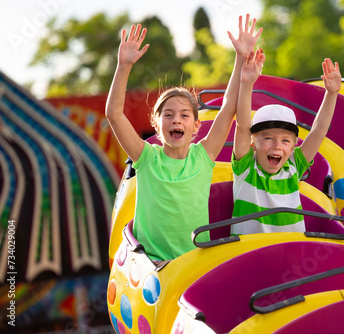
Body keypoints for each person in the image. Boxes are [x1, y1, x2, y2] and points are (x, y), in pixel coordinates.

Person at [105, 14, 262, 261]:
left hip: (194, 263)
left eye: (184, 115)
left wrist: (241, 58)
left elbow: (228, 107)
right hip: (154, 267)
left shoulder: (203, 155)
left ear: (196, 125)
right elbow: (114, 114)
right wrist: (123, 66)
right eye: (168, 115)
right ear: (157, 125)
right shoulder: (146, 158)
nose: (176, 120)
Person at [231, 54, 342, 235]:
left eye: (285, 141)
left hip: (290, 251)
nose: (277, 146)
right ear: (253, 143)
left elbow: (318, 132)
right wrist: (246, 84)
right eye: (268, 138)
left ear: (293, 146)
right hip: (250, 254)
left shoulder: (293, 166)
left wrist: (331, 94)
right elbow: (243, 126)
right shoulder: (246, 168)